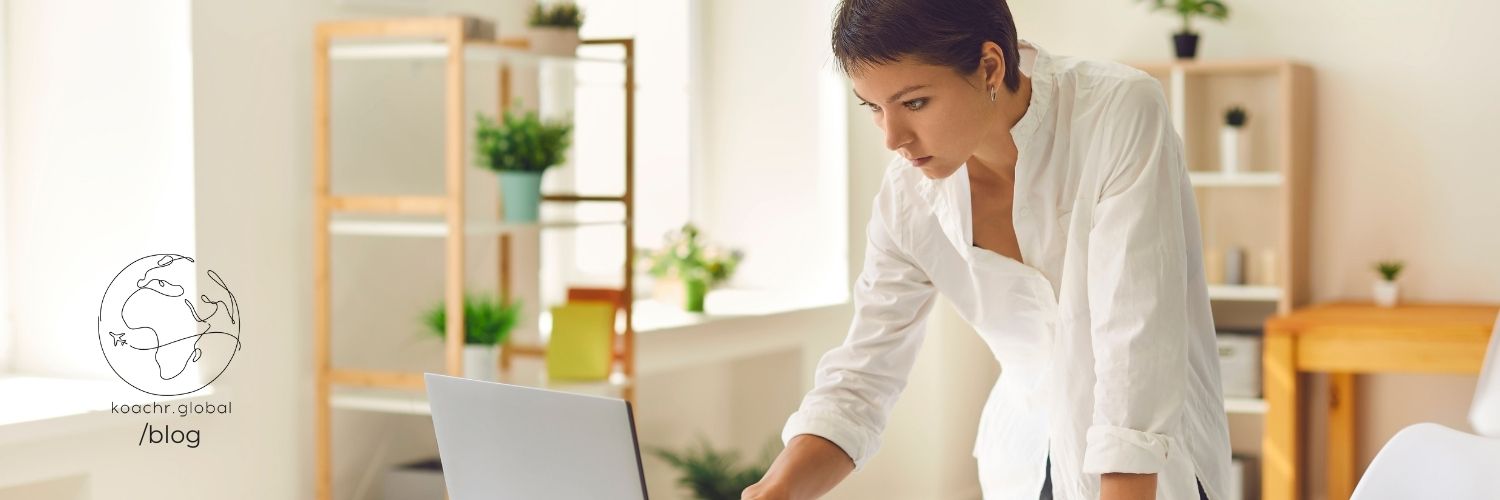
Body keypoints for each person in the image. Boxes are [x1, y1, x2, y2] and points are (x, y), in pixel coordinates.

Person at [741, 0, 1232, 499]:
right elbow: (863, 376)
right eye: (873, 107)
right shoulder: (908, 198)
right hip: (1022, 461)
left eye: (914, 103)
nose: (893, 138)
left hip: (1147, 469)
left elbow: (1135, 344)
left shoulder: (1116, 111)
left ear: (990, 66)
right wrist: (774, 491)